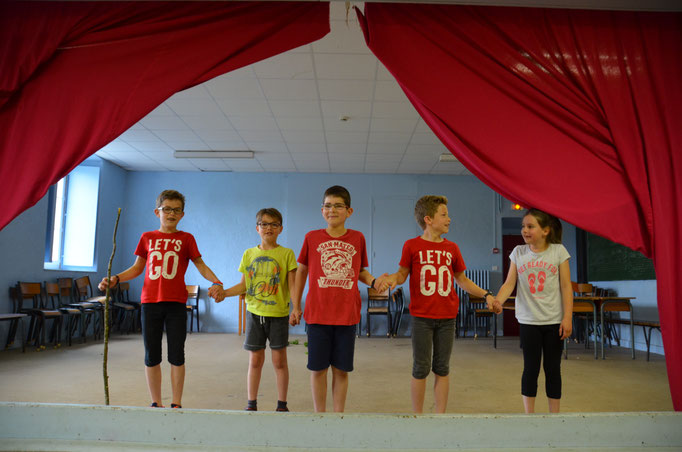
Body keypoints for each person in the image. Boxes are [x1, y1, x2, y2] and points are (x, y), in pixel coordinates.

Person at [98, 189, 224, 409]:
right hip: (150, 303)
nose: (171, 214)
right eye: (167, 209)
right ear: (157, 212)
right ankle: (155, 402)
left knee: (177, 354)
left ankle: (176, 402)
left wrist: (217, 281)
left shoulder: (186, 239)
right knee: (152, 353)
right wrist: (115, 278)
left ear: (182, 215)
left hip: (176, 303)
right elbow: (137, 268)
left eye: (176, 210)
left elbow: (200, 265)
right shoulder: (147, 237)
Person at [386, 195, 498, 414]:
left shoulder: (452, 248)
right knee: (420, 367)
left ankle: (440, 416)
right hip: (422, 319)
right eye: (444, 215)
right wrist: (391, 279)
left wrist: (487, 295)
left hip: (447, 318)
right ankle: (417, 415)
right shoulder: (412, 246)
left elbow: (462, 280)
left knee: (442, 368)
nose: (449, 219)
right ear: (428, 219)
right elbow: (401, 275)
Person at [290, 185, 388, 413]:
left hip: (346, 315)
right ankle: (320, 416)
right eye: (327, 205)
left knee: (342, 370)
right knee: (318, 369)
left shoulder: (358, 238)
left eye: (338, 205)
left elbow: (359, 270)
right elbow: (301, 271)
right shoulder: (311, 237)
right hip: (317, 314)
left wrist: (374, 282)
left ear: (349, 211)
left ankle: (338, 416)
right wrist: (296, 306)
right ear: (322, 210)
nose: (332, 210)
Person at [212, 208, 297, 412]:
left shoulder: (287, 254)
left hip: (278, 315)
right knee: (255, 360)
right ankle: (251, 403)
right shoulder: (249, 254)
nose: (269, 228)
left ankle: (282, 404)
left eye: (274, 224)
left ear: (281, 229)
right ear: (257, 228)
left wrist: (296, 309)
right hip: (254, 314)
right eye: (264, 224)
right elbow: (244, 285)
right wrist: (224, 293)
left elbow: (293, 285)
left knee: (279, 361)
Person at [493, 208, 573, 414]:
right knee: (530, 368)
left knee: (553, 369)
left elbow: (566, 286)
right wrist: (498, 301)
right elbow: (509, 283)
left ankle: (554, 416)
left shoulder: (558, 251)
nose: (525, 230)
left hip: (554, 320)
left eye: (530, 226)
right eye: (523, 226)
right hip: (529, 320)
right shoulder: (518, 252)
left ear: (545, 230)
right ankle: (530, 416)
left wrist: (567, 317)